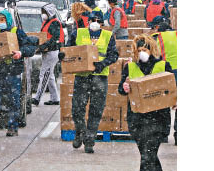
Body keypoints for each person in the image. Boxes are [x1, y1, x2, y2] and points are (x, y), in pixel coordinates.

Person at [118, 34, 172, 171]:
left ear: (151, 50)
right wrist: (125, 87)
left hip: (158, 119)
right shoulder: (130, 67)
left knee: (148, 156)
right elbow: (121, 89)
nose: (142, 53)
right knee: (148, 155)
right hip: (137, 120)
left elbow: (172, 88)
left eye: (145, 50)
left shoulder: (163, 66)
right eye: (139, 50)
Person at [67, 13, 119, 153]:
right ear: (88, 21)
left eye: (98, 21)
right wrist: (63, 55)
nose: (94, 23)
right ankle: (80, 131)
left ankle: (89, 141)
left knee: (96, 110)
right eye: (92, 20)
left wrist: (103, 64)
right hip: (82, 76)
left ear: (102, 23)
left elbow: (114, 55)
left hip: (99, 77)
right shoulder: (78, 33)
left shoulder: (108, 36)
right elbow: (68, 50)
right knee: (77, 109)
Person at [0, 10, 36, 137]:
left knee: (14, 101)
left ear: (8, 20)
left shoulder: (17, 32)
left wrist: (20, 53)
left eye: (3, 20)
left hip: (13, 73)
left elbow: (30, 48)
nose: (1, 23)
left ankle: (12, 127)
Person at [31, 3, 65, 106]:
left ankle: (37, 98)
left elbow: (54, 38)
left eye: (44, 12)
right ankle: (55, 98)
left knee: (44, 75)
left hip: (52, 52)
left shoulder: (54, 23)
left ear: (49, 12)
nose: (43, 15)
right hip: (48, 52)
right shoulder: (47, 22)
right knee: (50, 76)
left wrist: (43, 46)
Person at [151, 17, 177, 146]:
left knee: (164, 102)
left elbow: (153, 55)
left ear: (157, 28)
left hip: (165, 71)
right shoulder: (178, 34)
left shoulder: (156, 37)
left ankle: (164, 134)